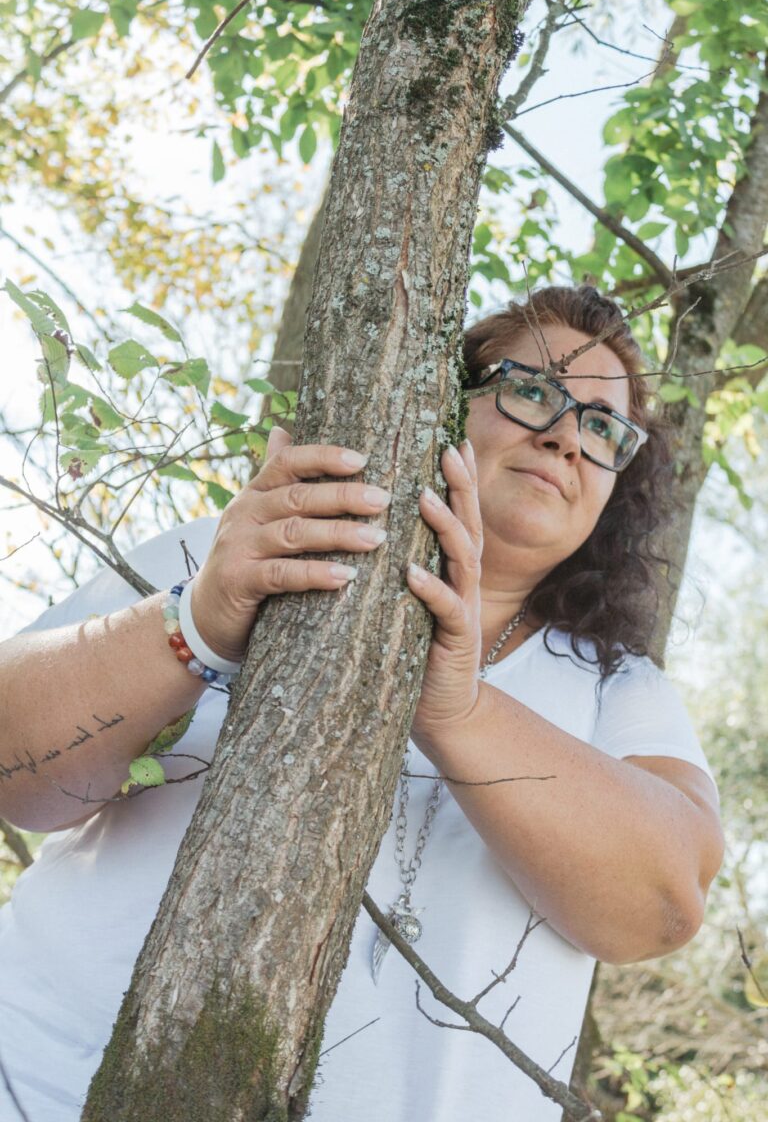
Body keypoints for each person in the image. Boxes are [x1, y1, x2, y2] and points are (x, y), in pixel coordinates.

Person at [0, 286, 723, 1122]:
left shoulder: (620, 687)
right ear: (447, 397)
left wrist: (457, 711)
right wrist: (196, 624)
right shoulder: (234, 550)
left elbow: (663, 907)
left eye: (603, 427)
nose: (565, 434)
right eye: (532, 387)